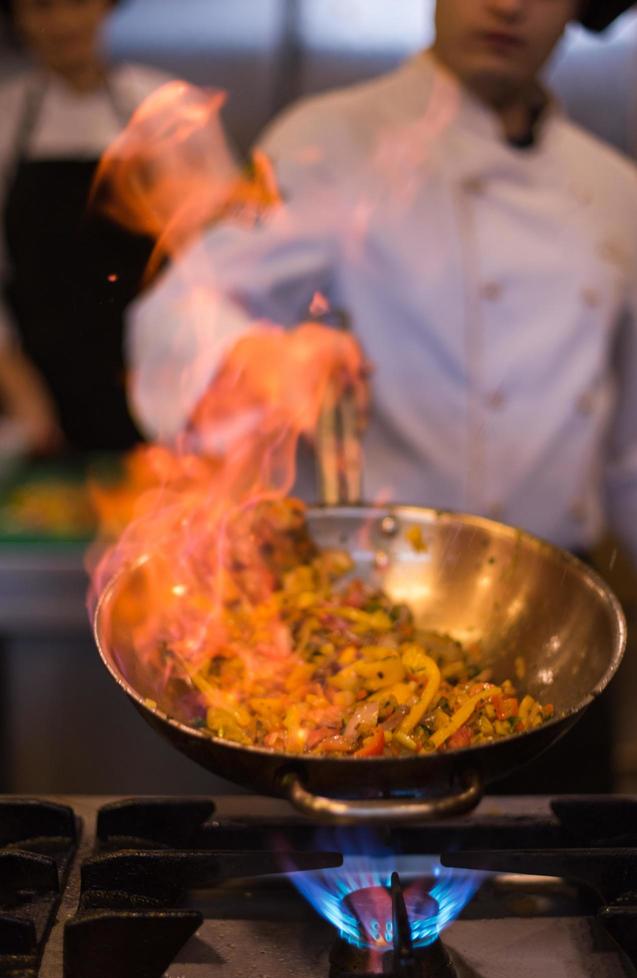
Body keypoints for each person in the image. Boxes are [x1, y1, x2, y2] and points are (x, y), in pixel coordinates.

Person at [128, 0, 637, 791]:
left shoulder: (615, 189)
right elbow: (175, 316)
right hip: (352, 628)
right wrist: (255, 356)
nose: (507, 3)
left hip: (549, 645)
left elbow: (630, 451)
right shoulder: (325, 141)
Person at [0, 0, 172, 455]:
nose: (63, 23)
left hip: (154, 378)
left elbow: (216, 253)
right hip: (36, 391)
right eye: (41, 8)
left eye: (77, 2)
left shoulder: (161, 108)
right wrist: (17, 386)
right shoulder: (5, 117)